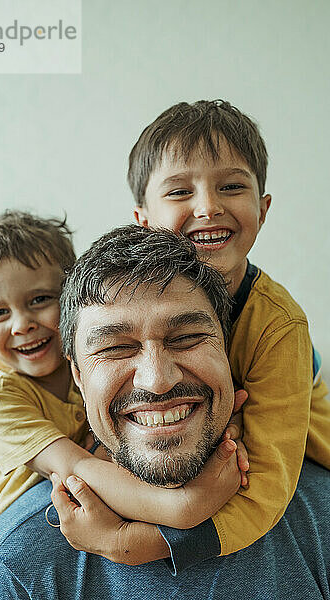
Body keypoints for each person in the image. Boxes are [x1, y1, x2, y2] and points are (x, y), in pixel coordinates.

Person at [0, 226, 330, 599]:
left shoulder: (320, 516)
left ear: (230, 355)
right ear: (77, 376)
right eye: (114, 348)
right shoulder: (20, 561)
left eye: (187, 338)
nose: (157, 380)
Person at [0, 212, 245, 600]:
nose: (21, 324)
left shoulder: (94, 367)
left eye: (39, 300)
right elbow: (77, 467)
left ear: (68, 301)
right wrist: (184, 507)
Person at [128, 100, 330, 556]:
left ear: (263, 208)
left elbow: (270, 481)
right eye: (180, 192)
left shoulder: (279, 325)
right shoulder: (130, 304)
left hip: (303, 438)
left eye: (232, 186)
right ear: (142, 220)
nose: (208, 207)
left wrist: (158, 544)